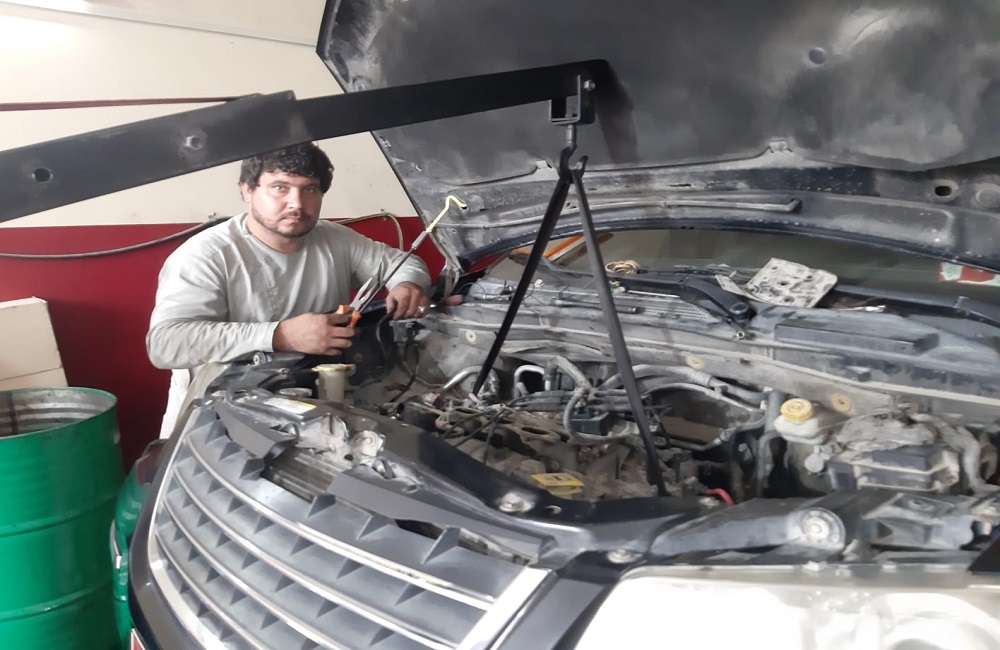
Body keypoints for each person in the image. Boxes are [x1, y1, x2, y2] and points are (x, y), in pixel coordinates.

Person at [147, 143, 432, 438]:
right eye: (279, 188)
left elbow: (403, 264)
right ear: (247, 191)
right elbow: (166, 343)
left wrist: (407, 284)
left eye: (309, 189)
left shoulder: (335, 239)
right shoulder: (205, 256)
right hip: (214, 426)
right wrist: (280, 335)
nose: (296, 203)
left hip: (311, 412)